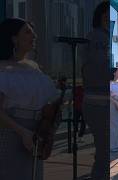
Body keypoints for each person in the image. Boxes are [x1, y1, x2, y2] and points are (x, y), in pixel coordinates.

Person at [0, 18, 58, 180]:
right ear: (14, 38)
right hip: (10, 133)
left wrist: (48, 128)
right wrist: (23, 132)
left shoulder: (33, 67)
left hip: (36, 134)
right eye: (27, 32)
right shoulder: (3, 68)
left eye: (33, 32)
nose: (34, 36)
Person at [80, 2, 107, 179]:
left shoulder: (107, 37)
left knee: (103, 150)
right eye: (105, 15)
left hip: (103, 101)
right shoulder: (94, 37)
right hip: (96, 101)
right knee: (103, 151)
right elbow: (90, 68)